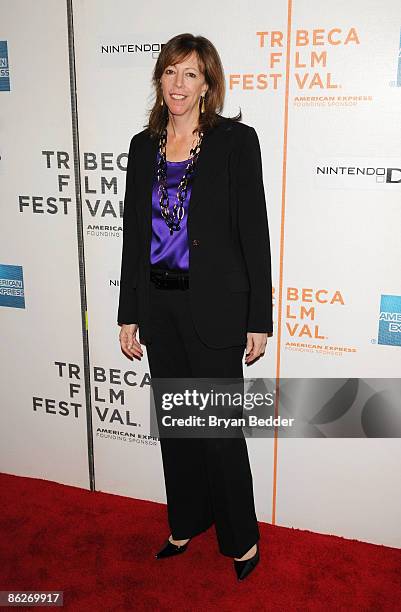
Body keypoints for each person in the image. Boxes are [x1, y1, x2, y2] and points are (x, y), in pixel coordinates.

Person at [117, 33, 273, 581]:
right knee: (177, 426)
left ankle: (241, 539)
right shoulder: (143, 146)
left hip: (215, 312)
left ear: (207, 84)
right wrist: (128, 311)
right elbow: (134, 238)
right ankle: (186, 520)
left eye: (190, 74)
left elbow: (254, 234)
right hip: (160, 306)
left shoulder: (235, 142)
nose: (177, 85)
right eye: (169, 72)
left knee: (218, 431)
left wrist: (259, 318)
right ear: (158, 79)